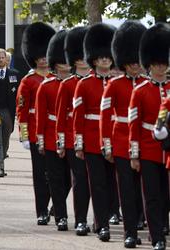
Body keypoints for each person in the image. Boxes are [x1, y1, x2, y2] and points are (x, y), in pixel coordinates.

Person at [99, 20, 147, 248]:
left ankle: (145, 223)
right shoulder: (114, 85)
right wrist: (106, 145)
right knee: (126, 190)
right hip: (120, 142)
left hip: (146, 143)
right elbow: (106, 116)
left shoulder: (148, 84)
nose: (135, 65)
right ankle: (130, 232)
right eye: (131, 61)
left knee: (145, 191)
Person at [73, 23, 115, 242]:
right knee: (95, 183)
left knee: (111, 184)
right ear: (94, 59)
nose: (105, 60)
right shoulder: (85, 84)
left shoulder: (116, 83)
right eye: (100, 57)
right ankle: (100, 224)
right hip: (90, 139)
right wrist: (78, 143)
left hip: (114, 139)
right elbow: (78, 116)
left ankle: (105, 219)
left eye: (108, 56)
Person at [129, 23, 170, 250]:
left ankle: (163, 227)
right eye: (156, 64)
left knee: (166, 196)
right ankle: (157, 238)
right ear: (149, 64)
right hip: (148, 148)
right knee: (152, 196)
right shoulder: (140, 90)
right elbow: (134, 123)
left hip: (169, 149)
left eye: (163, 63)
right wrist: (134, 153)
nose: (160, 68)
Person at [17, 22, 55, 226]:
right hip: (34, 131)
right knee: (40, 175)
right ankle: (41, 210)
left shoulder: (56, 78)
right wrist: (24, 135)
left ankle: (56, 205)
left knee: (59, 174)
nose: (43, 58)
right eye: (40, 55)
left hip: (55, 131)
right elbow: (22, 110)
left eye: (45, 54)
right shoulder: (28, 81)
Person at [55, 26, 91, 236]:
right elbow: (61, 115)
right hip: (71, 137)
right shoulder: (68, 85)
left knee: (95, 183)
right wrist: (61, 142)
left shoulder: (99, 82)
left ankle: (100, 220)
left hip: (95, 138)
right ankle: (80, 220)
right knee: (78, 181)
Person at [36, 30, 71, 231]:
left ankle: (57, 208)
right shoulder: (47, 86)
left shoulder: (76, 84)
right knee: (56, 178)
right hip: (50, 136)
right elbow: (40, 115)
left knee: (70, 179)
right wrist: (40, 140)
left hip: (71, 136)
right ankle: (61, 216)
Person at [0, 48, 19, 177]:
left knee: (6, 137)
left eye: (3, 57)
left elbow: (18, 94)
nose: (1, 60)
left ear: (6, 59)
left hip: (8, 111)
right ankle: (1, 167)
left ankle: (0, 157)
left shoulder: (14, 74)